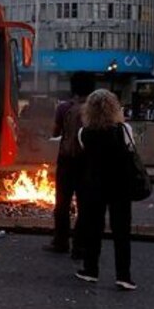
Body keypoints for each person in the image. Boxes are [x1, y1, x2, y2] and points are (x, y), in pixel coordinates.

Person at [75, 89, 137, 290]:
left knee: (93, 229)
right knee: (122, 231)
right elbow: (131, 151)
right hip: (121, 185)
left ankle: (90, 270)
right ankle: (124, 276)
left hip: (94, 186)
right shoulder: (124, 130)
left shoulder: (84, 133)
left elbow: (87, 156)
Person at [44, 71, 95, 257]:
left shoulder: (64, 108)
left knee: (62, 204)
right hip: (88, 162)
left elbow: (55, 132)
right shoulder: (96, 109)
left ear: (73, 88)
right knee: (84, 205)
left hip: (66, 161)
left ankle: (61, 241)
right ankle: (80, 245)